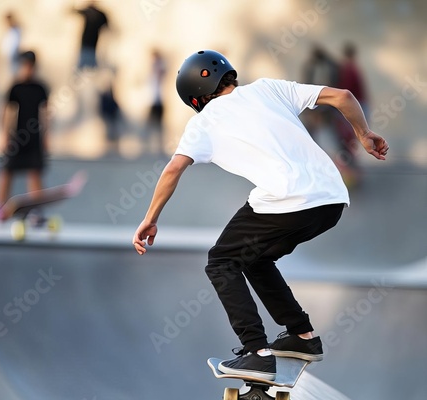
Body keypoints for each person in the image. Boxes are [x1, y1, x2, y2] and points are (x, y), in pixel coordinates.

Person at [133, 50, 388, 380]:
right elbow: (343, 96)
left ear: (195, 98)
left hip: (287, 200)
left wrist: (150, 218)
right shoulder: (269, 88)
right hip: (332, 200)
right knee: (254, 257)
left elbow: (172, 170)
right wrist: (363, 134)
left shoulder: (203, 123)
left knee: (221, 261)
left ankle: (256, 352)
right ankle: (302, 336)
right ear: (230, 76)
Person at [0, 51, 49, 219]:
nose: (28, 69)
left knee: (34, 172)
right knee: (7, 172)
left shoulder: (40, 88)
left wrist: (47, 136)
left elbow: (45, 113)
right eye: (25, 66)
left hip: (34, 138)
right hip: (17, 137)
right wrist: (4, 135)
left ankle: (36, 210)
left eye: (30, 66)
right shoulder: (15, 87)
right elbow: (7, 112)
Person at [73, 3, 108, 70]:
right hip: (90, 44)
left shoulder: (91, 12)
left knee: (86, 64)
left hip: (90, 44)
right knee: (88, 64)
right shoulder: (98, 13)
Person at [145, 49, 167, 154]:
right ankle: (150, 145)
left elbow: (162, 73)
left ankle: (159, 145)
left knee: (158, 124)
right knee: (151, 124)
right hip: (152, 101)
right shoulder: (151, 71)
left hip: (158, 101)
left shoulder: (160, 68)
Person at [0, 12, 22, 78]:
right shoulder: (7, 31)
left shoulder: (16, 31)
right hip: (6, 59)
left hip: (14, 57)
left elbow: (15, 46)